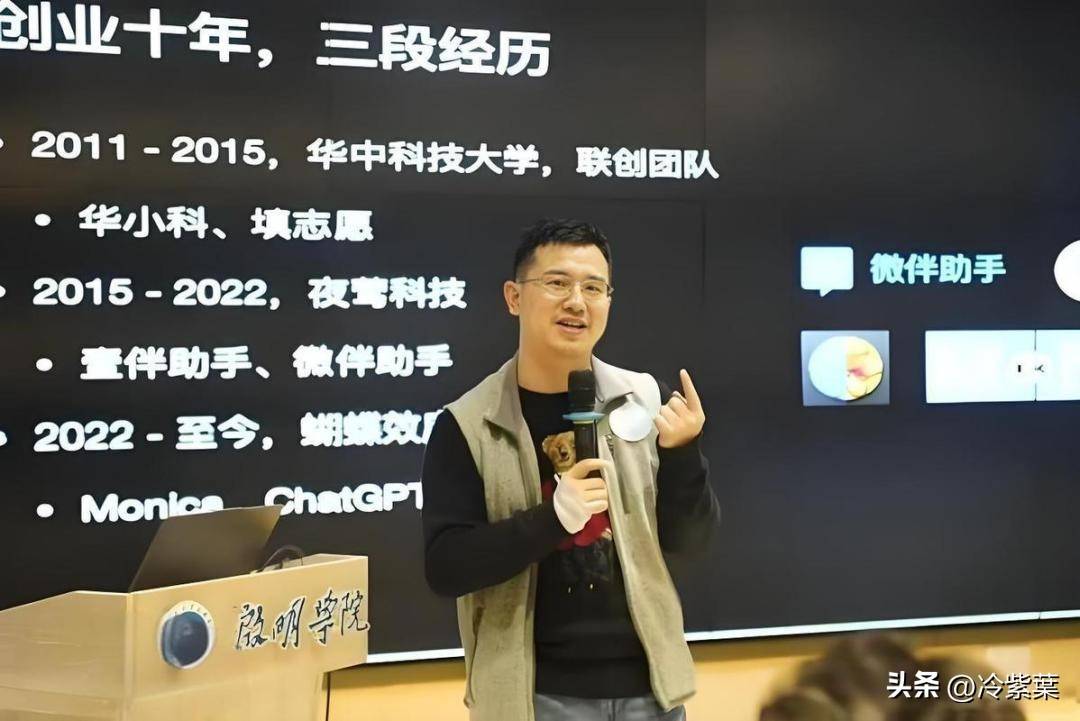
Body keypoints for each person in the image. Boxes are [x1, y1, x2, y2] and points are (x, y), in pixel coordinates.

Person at [421, 218, 722, 721]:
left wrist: (684, 454)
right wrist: (553, 519)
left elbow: (689, 541)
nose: (577, 302)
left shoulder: (644, 399)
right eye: (557, 283)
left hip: (651, 690)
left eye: (594, 288)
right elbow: (446, 567)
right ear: (514, 297)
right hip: (534, 697)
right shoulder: (467, 424)